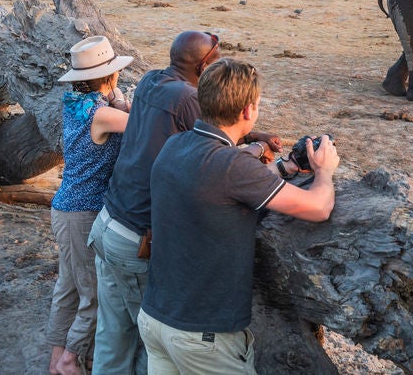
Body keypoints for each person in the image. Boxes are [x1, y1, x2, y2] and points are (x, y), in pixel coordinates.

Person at [88, 31, 284, 374]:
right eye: (218, 58)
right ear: (206, 65)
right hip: (137, 239)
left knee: (113, 336)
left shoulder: (151, 81)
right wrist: (255, 147)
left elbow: (198, 120)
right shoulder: (188, 96)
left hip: (107, 223)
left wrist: (254, 136)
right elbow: (215, 141)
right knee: (155, 347)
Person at [137, 58, 339, 374]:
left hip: (155, 319)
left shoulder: (176, 145)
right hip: (202, 337)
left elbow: (224, 184)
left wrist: (284, 168)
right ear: (248, 111)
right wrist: (324, 171)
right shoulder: (233, 167)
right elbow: (319, 206)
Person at [46, 35, 133, 375]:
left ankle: (55, 360)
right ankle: (71, 360)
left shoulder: (73, 103)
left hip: (65, 209)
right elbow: (143, 124)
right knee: (94, 295)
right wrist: (123, 98)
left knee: (67, 289)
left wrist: (115, 97)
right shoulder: (102, 114)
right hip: (84, 214)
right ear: (110, 77)